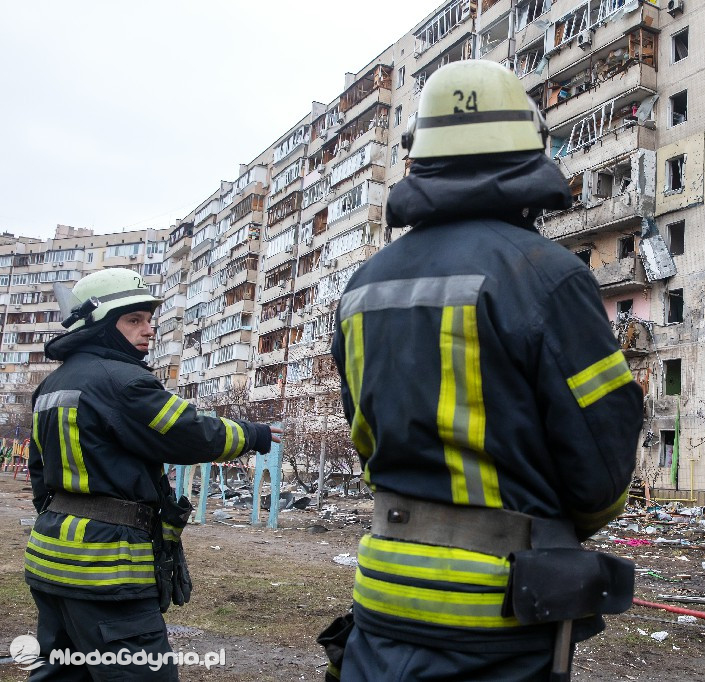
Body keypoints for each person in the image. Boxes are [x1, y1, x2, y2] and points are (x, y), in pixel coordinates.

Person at [326, 60, 643, 681]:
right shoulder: (548, 276)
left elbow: (365, 437)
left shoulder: (362, 285)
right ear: (527, 153)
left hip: (382, 598)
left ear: (421, 157)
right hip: (498, 614)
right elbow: (601, 464)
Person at [25, 268, 282, 681]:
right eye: (133, 320)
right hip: (106, 569)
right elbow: (189, 433)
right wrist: (253, 434)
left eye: (148, 319)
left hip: (51, 561)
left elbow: (40, 474)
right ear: (102, 325)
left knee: (63, 674)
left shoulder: (52, 385)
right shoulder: (123, 381)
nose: (148, 330)